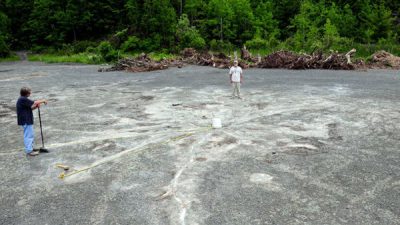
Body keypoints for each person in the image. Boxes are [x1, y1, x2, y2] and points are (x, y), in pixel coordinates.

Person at [16, 87, 48, 156]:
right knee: (28, 136)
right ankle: (29, 151)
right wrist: (43, 101)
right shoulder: (23, 99)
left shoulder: (23, 99)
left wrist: (36, 107)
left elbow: (30, 108)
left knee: (30, 135)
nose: (30, 93)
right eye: (29, 92)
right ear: (27, 93)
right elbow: (35, 102)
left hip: (27, 119)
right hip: (25, 120)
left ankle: (30, 148)